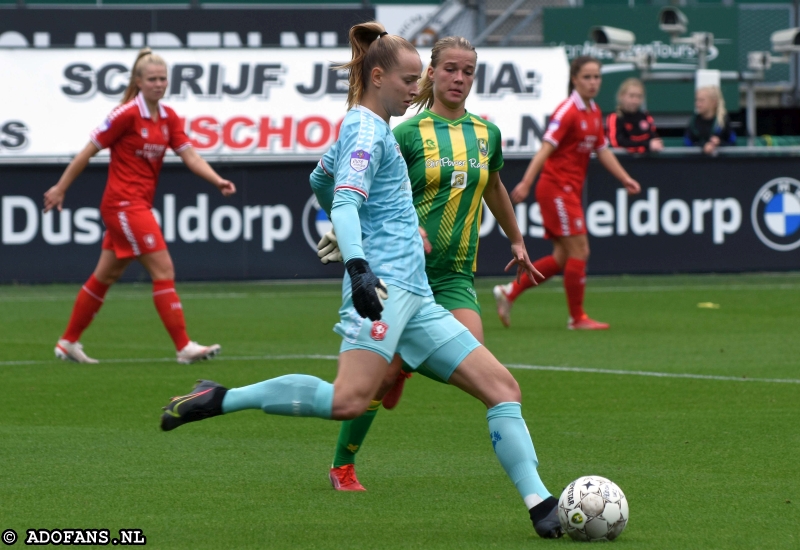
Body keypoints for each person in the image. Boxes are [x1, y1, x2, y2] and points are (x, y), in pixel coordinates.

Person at [160, 22, 563, 539]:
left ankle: (541, 505)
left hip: (416, 295)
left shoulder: (369, 125)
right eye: (409, 79)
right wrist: (357, 262)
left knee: (503, 388)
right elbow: (345, 199)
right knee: (348, 400)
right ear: (378, 76)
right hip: (384, 290)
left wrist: (365, 233)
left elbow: (321, 180)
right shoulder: (369, 129)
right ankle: (219, 397)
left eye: (419, 79)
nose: (415, 89)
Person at [325, 36, 542, 492]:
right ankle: (343, 466)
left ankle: (403, 363)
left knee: (479, 366)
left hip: (456, 276)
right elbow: (369, 189)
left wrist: (517, 239)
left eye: (467, 71)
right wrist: (354, 235)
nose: (458, 79)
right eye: (449, 70)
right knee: (376, 383)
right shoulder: (404, 131)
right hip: (403, 273)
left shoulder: (486, 133)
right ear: (431, 74)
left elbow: (495, 187)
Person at [44, 48, 236, 364]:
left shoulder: (169, 117)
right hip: (123, 205)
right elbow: (86, 152)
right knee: (164, 269)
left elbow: (190, 155)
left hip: (135, 205)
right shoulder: (126, 115)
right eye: (152, 79)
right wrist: (60, 188)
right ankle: (184, 347)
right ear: (138, 81)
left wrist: (217, 180)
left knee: (105, 276)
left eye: (163, 78)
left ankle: (67, 342)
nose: (159, 84)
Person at [492, 56, 641, 330]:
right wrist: (525, 182)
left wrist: (625, 178)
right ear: (574, 79)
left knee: (563, 257)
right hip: (556, 189)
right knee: (580, 249)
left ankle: (509, 292)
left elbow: (602, 150)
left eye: (597, 77)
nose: (593, 82)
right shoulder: (567, 111)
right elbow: (545, 149)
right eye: (587, 77)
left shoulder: (594, 111)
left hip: (569, 190)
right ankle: (577, 318)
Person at [606, 78, 663, 154]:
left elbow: (654, 141)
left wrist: (651, 145)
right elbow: (616, 144)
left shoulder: (646, 117)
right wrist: (646, 145)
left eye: (639, 96)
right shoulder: (614, 117)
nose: (635, 101)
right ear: (621, 96)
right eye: (631, 96)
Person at [684, 85, 735, 155]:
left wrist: (719, 143)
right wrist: (702, 146)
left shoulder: (723, 121)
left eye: (701, 100)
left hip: (721, 163)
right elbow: (687, 143)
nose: (697, 104)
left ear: (713, 102)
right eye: (696, 100)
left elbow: (733, 143)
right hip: (698, 163)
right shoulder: (694, 121)